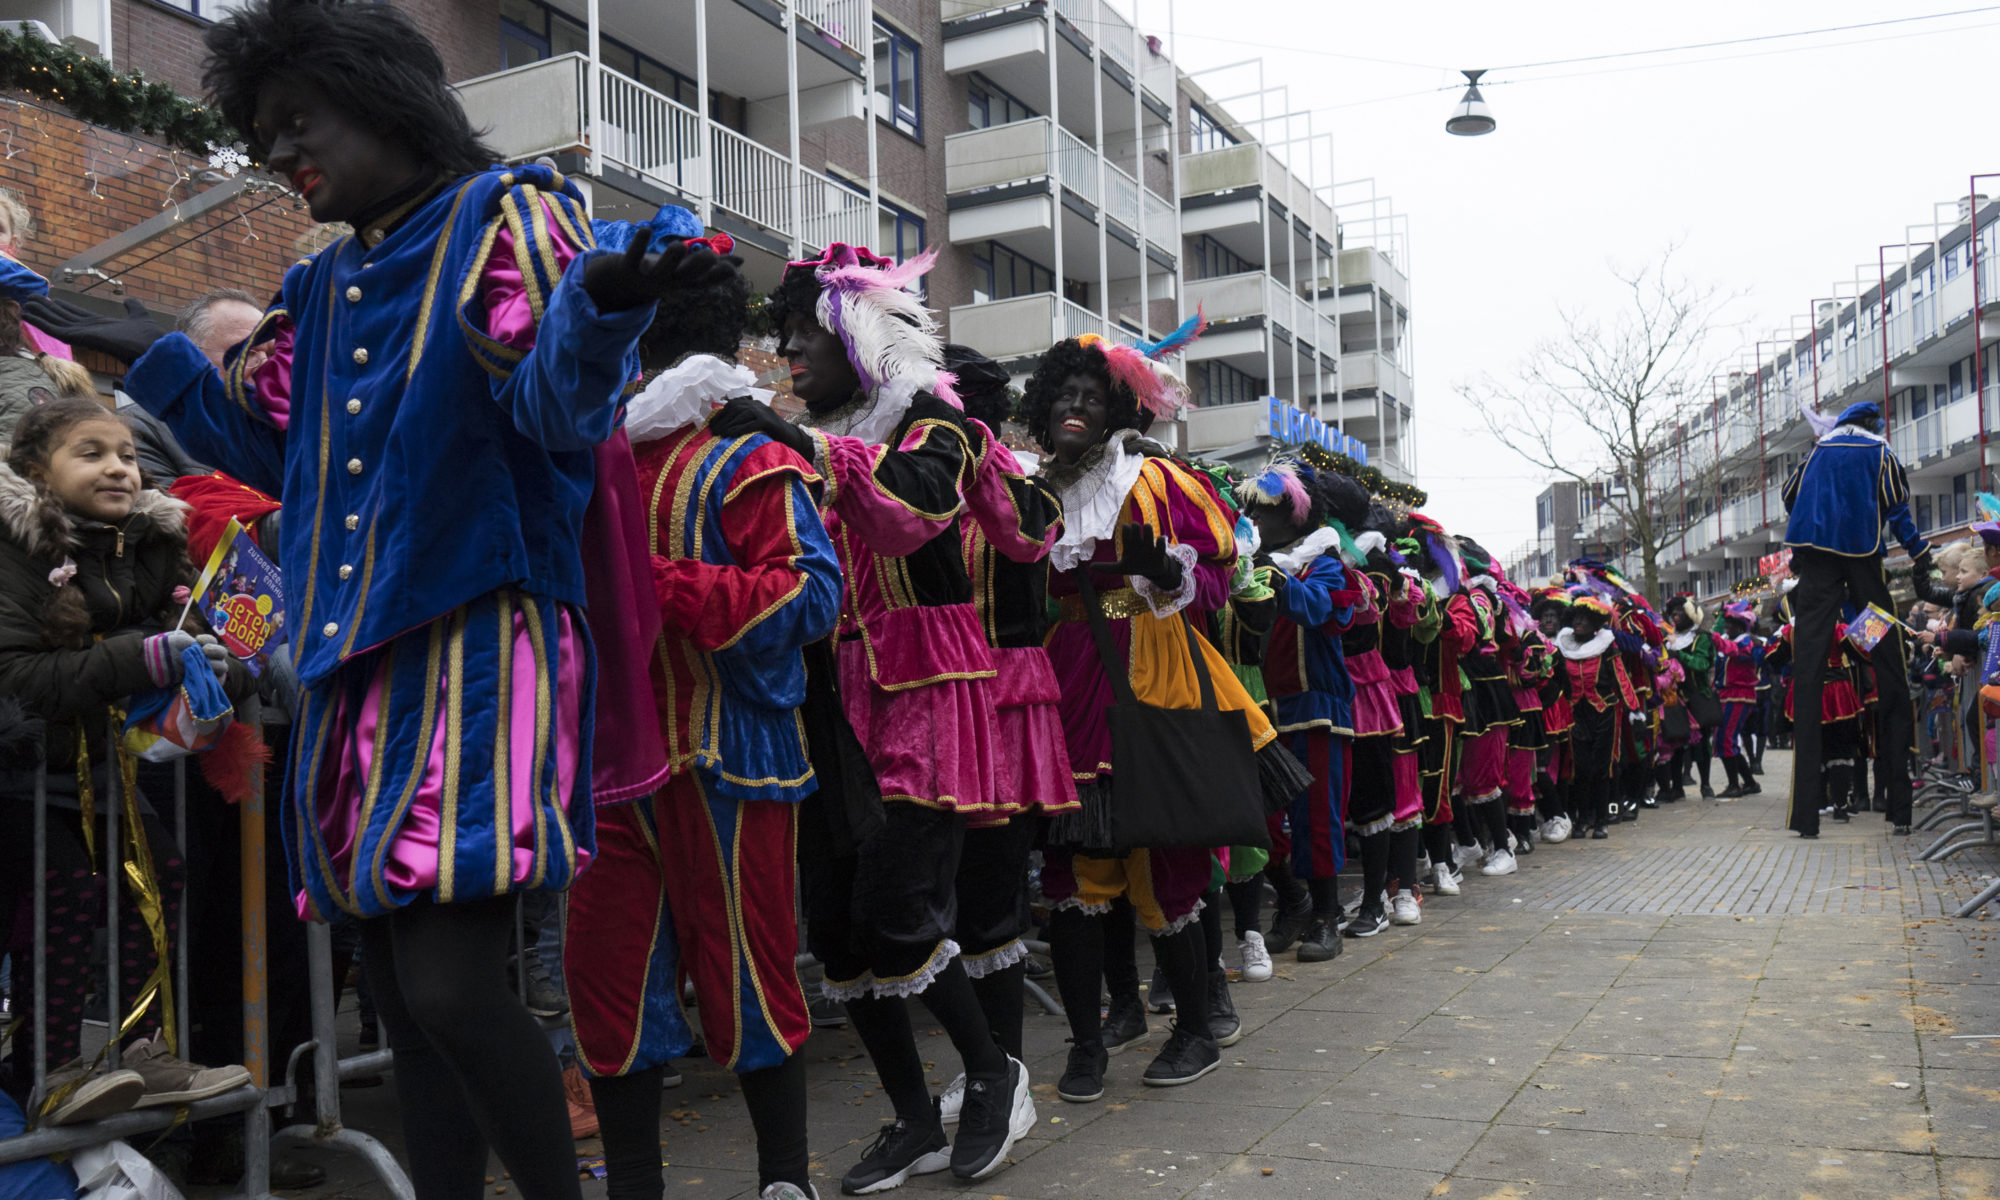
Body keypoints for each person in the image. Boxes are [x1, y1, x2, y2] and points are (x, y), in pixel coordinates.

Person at [32, 4, 728, 1196]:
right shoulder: (326, 280)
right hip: (354, 664)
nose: (283, 156)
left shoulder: (504, 212)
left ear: (386, 102)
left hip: (480, 631)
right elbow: (266, 448)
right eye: (264, 136)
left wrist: (603, 303)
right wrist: (142, 352)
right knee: (406, 1002)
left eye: (298, 123)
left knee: (455, 979)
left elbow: (555, 411)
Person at [708, 244, 1035, 1193]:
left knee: (900, 912)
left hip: (923, 696)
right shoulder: (806, 433)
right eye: (786, 338)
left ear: (857, 333)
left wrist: (801, 447)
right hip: (824, 699)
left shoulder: (937, 420)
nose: (791, 355)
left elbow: (914, 514)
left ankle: (991, 1077)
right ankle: (910, 1120)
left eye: (808, 335)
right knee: (841, 933)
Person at [564, 207, 841, 1200]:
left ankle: (780, 1180)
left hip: (726, 752)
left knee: (750, 969)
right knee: (608, 982)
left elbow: (813, 595)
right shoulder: (589, 459)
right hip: (604, 769)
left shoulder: (748, 456)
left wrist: (663, 585)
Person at [1025, 328, 1308, 1103]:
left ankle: (1193, 1026)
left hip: (1152, 674)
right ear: (1044, 408)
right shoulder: (1034, 491)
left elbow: (1218, 583)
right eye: (1064, 395)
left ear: (1118, 408)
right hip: (1066, 683)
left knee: (1167, 860)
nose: (1075, 406)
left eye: (1092, 396)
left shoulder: (1152, 480)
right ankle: (1086, 1045)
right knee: (1074, 875)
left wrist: (1162, 570)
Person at [0, 398, 254, 1125]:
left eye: (126, 454)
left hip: (104, 769)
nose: (118, 467)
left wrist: (217, 666)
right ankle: (48, 1073)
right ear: (35, 472)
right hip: (18, 775)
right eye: (91, 453)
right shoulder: (12, 543)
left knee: (165, 876)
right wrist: (136, 659)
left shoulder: (145, 543)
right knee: (68, 894)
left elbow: (208, 643)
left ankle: (143, 1049)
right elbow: (14, 677)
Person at [937, 343, 1074, 1094]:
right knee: (944, 892)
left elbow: (1066, 595)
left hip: (1009, 703)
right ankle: (982, 1063)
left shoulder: (1026, 494)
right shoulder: (915, 486)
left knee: (992, 895)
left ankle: (1005, 1070)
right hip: (933, 702)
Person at [1780, 399, 1951, 834]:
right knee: (1890, 667)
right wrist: (1919, 553)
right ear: (1874, 424)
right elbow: (1898, 513)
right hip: (1862, 565)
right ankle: (1898, 810)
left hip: (1817, 567)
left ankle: (1806, 818)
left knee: (1808, 671)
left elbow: (1788, 495)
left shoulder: (1817, 451)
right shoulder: (1881, 452)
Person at [1237, 460, 1363, 953]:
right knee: (1258, 820)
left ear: (1296, 516)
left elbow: (1314, 607)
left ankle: (1326, 917)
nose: (1255, 521)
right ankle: (1293, 900)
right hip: (1261, 709)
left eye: (1264, 513)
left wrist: (1273, 574)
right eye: (1249, 512)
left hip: (1316, 709)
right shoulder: (1251, 561)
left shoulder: (1324, 561)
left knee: (1317, 818)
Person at [1556, 593, 1635, 839]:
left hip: (1603, 713)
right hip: (1576, 715)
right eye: (1576, 617)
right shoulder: (1564, 648)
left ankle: (1601, 820)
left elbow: (1621, 677)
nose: (1579, 622)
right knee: (1580, 770)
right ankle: (1583, 819)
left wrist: (1635, 710)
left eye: (1585, 618)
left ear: (1595, 625)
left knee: (1602, 769)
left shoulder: (1607, 647)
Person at [1713, 601, 1765, 797]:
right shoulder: (1730, 640)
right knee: (1722, 739)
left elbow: (1733, 651)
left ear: (1741, 626)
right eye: (1726, 625)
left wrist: (1714, 637)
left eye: (1730, 625)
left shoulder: (1748, 643)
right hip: (1725, 695)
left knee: (1726, 739)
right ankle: (1750, 782)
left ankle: (1735, 785)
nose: (1727, 628)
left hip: (1740, 696)